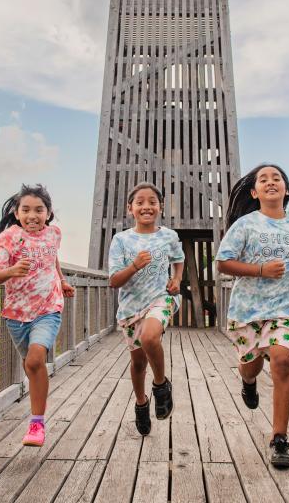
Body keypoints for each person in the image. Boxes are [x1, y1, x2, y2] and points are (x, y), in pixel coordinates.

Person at [215, 164, 289, 469]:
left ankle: (280, 439)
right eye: (264, 179)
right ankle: (248, 383)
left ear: (286, 190)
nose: (271, 182)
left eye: (277, 178)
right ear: (254, 192)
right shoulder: (245, 225)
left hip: (287, 307)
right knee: (251, 365)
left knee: (283, 360)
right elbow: (223, 263)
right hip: (248, 310)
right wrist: (260, 269)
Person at [0, 184, 75, 446]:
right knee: (31, 365)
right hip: (16, 314)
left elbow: (53, 258)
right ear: (16, 212)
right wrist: (12, 271)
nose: (33, 215)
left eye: (39, 210)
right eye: (26, 209)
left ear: (48, 214)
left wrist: (61, 280)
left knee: (36, 360)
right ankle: (37, 404)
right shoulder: (8, 238)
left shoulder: (54, 234)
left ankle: (37, 424)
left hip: (48, 308)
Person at [108, 183, 184, 436]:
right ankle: (141, 404)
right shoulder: (120, 240)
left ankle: (161, 386)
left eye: (152, 201)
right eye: (140, 202)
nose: (146, 206)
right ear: (130, 208)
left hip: (160, 299)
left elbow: (179, 259)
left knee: (150, 337)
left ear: (160, 207)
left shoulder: (169, 236)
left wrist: (177, 280)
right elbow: (114, 280)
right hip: (131, 307)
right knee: (138, 363)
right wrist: (134, 266)